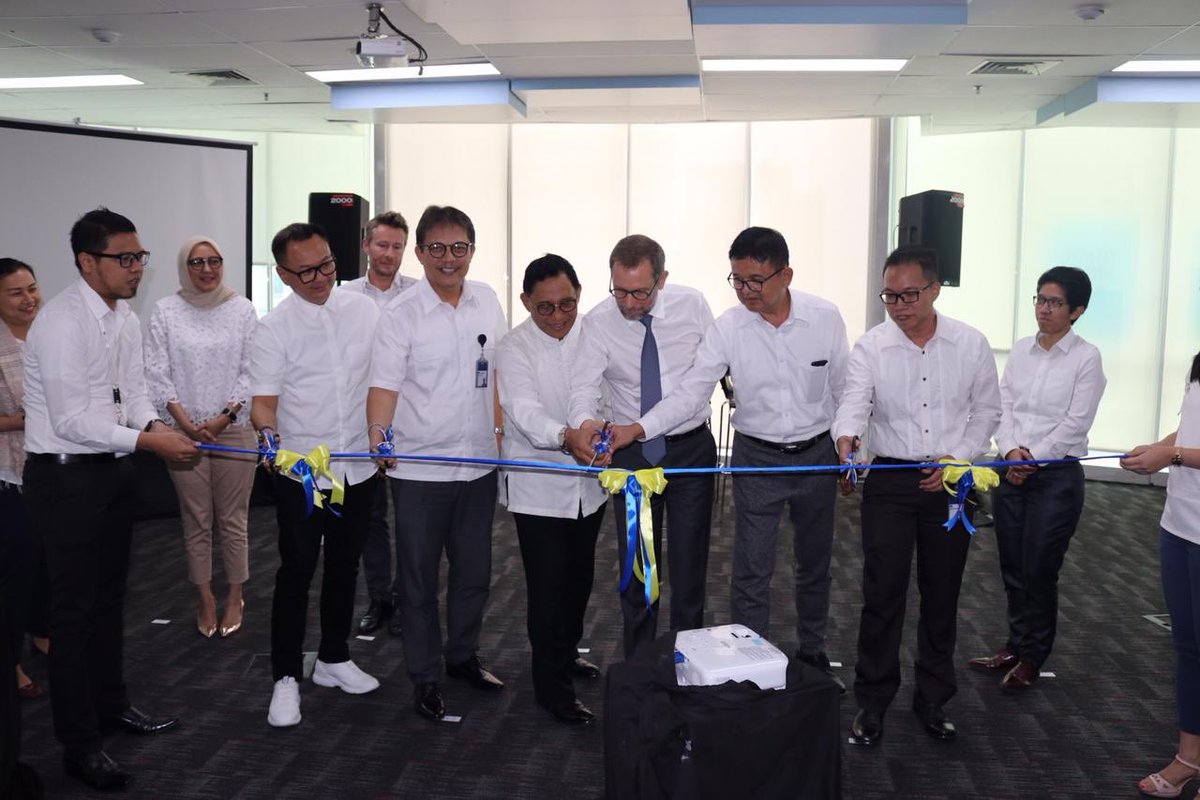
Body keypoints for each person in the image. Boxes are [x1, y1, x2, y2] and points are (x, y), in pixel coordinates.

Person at [622, 227, 850, 690]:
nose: (746, 291)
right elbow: (691, 392)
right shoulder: (728, 328)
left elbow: (846, 388)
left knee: (815, 564)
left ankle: (813, 650)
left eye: (756, 280)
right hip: (756, 458)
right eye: (738, 280)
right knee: (750, 570)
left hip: (816, 456)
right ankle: (751, 662)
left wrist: (850, 442)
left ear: (786, 275)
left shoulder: (825, 318)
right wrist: (640, 427)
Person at [22, 208, 198, 790]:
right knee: (71, 616)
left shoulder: (123, 318)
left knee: (109, 601)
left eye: (139, 256)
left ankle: (110, 706)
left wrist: (157, 426)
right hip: (66, 480)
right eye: (124, 258)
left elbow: (135, 394)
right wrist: (151, 442)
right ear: (86, 262)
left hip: (114, 473)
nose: (136, 268)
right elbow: (72, 421)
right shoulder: (61, 323)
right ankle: (79, 745)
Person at [833, 244, 1001, 746]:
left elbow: (987, 412)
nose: (899, 305)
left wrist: (957, 460)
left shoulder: (970, 343)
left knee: (942, 593)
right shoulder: (872, 346)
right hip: (890, 478)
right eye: (890, 296)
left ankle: (933, 698)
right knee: (882, 593)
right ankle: (873, 701)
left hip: (951, 480)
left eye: (909, 295)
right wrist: (846, 438)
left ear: (935, 289)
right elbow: (855, 403)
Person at [366, 205, 507, 721]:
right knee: (419, 581)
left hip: (478, 467)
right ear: (421, 253)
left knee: (474, 575)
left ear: (472, 250)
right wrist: (378, 436)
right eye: (438, 249)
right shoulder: (400, 314)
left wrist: (501, 437)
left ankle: (463, 656)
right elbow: (384, 386)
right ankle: (424, 676)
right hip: (420, 473)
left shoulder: (487, 300)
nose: (450, 258)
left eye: (460, 248)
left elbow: (498, 375)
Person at [251, 222, 382, 729]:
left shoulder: (363, 311)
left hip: (355, 468)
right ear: (283, 274)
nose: (321, 277)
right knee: (297, 569)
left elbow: (384, 380)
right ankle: (286, 676)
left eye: (326, 264)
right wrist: (267, 434)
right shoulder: (273, 329)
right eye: (305, 271)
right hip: (302, 471)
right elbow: (264, 404)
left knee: (345, 565)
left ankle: (333, 657)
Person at [567, 234, 716, 658]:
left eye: (639, 293)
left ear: (662, 280)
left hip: (689, 450)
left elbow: (696, 391)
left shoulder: (693, 306)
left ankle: (689, 663)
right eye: (619, 291)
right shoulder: (599, 321)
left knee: (689, 569)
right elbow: (582, 388)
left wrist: (637, 427)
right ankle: (640, 664)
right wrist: (586, 424)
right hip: (632, 458)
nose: (629, 303)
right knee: (639, 567)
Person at [970, 267, 1105, 688]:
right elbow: (1003, 405)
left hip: (1056, 477)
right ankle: (1015, 643)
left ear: (1077, 310)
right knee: (1012, 564)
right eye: (1040, 300)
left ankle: (1033, 655)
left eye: (1055, 302)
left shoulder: (1086, 358)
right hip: (1010, 469)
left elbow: (1076, 422)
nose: (1044, 309)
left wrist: (1033, 458)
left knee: (1039, 568)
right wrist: (1012, 450)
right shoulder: (1021, 350)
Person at [497, 254, 608, 725]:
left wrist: (589, 431)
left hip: (588, 485)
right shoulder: (512, 348)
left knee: (580, 579)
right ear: (526, 302)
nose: (559, 316)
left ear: (579, 294)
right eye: (545, 307)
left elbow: (592, 393)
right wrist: (567, 436)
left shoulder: (593, 335)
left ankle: (566, 653)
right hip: (537, 486)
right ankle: (552, 689)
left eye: (567, 304)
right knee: (547, 587)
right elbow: (523, 410)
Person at [144, 236, 258, 639]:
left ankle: (235, 595)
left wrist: (224, 418)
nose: (207, 270)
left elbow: (252, 370)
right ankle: (205, 597)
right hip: (182, 434)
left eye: (214, 261)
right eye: (197, 262)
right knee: (196, 520)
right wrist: (185, 422)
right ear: (184, 267)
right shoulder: (165, 311)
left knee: (233, 519)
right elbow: (156, 372)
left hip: (235, 430)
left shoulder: (242, 309)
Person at [1122, 348, 1200, 798]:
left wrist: (1172, 454)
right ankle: (1189, 758)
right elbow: (1190, 431)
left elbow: (1183, 449)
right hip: (1180, 524)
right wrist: (1159, 448)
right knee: (1188, 649)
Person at [339, 211, 415, 638]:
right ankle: (380, 598)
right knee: (370, 519)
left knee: (412, 521)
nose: (389, 254)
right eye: (382, 245)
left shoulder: (420, 294)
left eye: (397, 246)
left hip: (412, 422)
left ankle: (408, 599)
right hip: (361, 422)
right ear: (366, 246)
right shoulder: (344, 296)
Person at [0, 258, 48, 700]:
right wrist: (24, 420)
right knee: (15, 572)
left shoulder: (49, 336)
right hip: (8, 475)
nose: (29, 298)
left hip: (54, 467)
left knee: (49, 561)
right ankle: (10, 660)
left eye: (31, 288)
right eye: (16, 292)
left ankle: (42, 631)